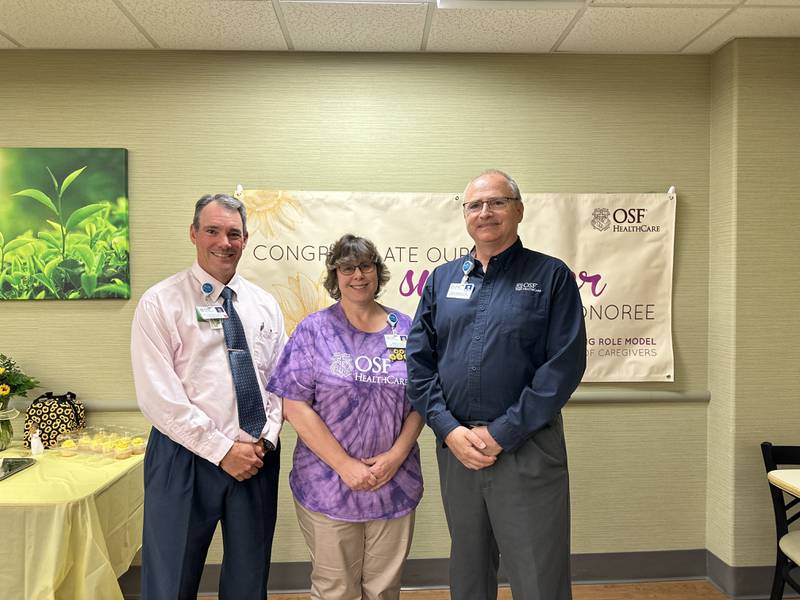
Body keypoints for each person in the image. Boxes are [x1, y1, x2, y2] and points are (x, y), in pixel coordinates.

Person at [406, 170, 586, 600]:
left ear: (518, 211)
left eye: (497, 202)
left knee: (538, 574)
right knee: (468, 571)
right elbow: (418, 362)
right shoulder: (442, 280)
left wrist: (501, 433)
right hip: (459, 450)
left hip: (526, 448)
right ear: (464, 215)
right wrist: (449, 429)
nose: (484, 213)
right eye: (474, 205)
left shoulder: (551, 276)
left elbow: (562, 367)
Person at [131, 193, 286, 600]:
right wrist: (220, 449)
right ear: (194, 234)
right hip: (184, 457)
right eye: (213, 231)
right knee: (171, 579)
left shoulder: (264, 304)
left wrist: (265, 437)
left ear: (246, 239)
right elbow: (158, 395)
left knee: (249, 578)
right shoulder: (160, 302)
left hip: (256, 456)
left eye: (234, 233)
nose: (225, 242)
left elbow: (281, 381)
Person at [267, 234, 424, 600]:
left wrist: (394, 457)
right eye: (347, 268)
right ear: (335, 276)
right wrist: (344, 466)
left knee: (384, 589)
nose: (358, 275)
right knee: (335, 590)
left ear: (378, 272)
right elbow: (293, 405)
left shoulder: (406, 329)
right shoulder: (314, 330)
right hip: (328, 486)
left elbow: (421, 400)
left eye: (365, 266)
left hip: (393, 482)